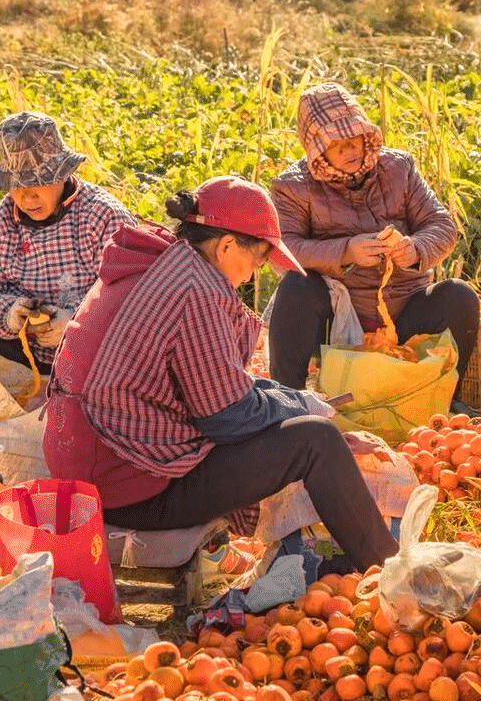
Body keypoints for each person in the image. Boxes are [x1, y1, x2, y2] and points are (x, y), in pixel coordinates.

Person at [43, 176, 398, 571]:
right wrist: (303, 409)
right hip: (127, 487)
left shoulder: (160, 262)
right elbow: (227, 417)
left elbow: (212, 386)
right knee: (317, 441)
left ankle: (349, 559)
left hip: (88, 469)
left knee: (300, 424)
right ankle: (387, 570)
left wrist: (293, 404)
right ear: (227, 245)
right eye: (257, 260)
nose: (250, 276)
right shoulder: (198, 288)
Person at [267, 82, 480, 415]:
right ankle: (289, 403)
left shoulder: (398, 168)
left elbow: (442, 225)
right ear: (319, 152)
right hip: (338, 319)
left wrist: (415, 249)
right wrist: (346, 251)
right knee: (296, 286)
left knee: (459, 296)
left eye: (355, 141)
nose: (352, 152)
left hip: (402, 310)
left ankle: (448, 399)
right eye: (339, 147)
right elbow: (284, 248)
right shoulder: (293, 186)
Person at [0, 111, 135, 373]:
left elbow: (134, 296)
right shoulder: (4, 221)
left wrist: (75, 322)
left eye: (39, 182)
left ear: (62, 174)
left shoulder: (102, 216)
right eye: (17, 186)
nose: (28, 197)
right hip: (27, 357)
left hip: (98, 361)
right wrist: (10, 314)